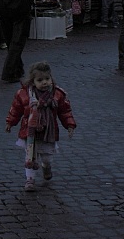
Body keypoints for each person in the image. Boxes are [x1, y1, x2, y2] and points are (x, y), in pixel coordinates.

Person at [5, 62, 77, 192]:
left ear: (51, 78)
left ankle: (46, 166)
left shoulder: (57, 94)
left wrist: (70, 124)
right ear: (32, 81)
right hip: (30, 130)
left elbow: (65, 111)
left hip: (48, 131)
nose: (44, 82)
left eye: (47, 79)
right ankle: (30, 179)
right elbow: (16, 109)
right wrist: (10, 122)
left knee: (47, 157)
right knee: (30, 155)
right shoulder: (24, 94)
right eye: (40, 80)